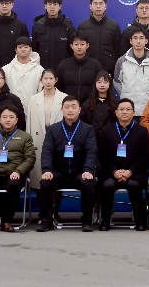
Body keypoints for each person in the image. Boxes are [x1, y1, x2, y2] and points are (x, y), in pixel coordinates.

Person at [37, 96, 99, 231]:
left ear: (79, 110)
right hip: (59, 173)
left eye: (73, 107)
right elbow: (47, 151)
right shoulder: (53, 129)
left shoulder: (88, 129)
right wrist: (47, 170)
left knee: (88, 183)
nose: (70, 110)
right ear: (62, 109)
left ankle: (87, 220)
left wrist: (88, 170)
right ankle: (46, 220)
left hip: (79, 173)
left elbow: (91, 152)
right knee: (45, 183)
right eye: (67, 107)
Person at [97, 99, 149, 230]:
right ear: (116, 112)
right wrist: (114, 171)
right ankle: (105, 222)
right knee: (107, 185)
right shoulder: (106, 130)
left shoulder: (142, 131)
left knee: (134, 185)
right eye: (121, 109)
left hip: (135, 173)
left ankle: (140, 222)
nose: (124, 112)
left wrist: (130, 171)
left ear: (133, 112)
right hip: (111, 172)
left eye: (128, 109)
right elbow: (103, 155)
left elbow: (145, 156)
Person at [0, 105, 35, 232]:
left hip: (14, 173)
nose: (7, 120)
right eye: (4, 117)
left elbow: (30, 158)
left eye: (11, 117)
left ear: (16, 120)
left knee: (13, 185)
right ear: (0, 119)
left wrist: (19, 171)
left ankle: (6, 221)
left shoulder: (25, 137)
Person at [26, 69, 67, 188]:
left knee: (56, 174)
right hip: (39, 139)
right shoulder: (34, 99)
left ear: (56, 80)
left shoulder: (64, 97)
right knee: (40, 177)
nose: (48, 81)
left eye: (51, 78)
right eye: (45, 78)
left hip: (57, 137)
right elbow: (29, 121)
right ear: (41, 80)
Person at [113, 30, 149, 118]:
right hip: (128, 110)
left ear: (146, 41)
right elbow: (117, 82)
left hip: (147, 109)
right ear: (131, 41)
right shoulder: (122, 61)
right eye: (135, 38)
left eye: (141, 38)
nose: (138, 41)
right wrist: (125, 94)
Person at [76, 0, 123, 75]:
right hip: (87, 68)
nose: (98, 6)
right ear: (90, 6)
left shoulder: (114, 26)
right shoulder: (83, 26)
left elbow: (117, 49)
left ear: (105, 6)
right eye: (95, 3)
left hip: (108, 69)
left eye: (101, 3)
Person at [31, 0, 76, 71]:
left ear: (60, 6)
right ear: (45, 6)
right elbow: (34, 51)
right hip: (42, 70)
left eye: (55, 4)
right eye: (49, 4)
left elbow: (72, 51)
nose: (52, 7)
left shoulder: (67, 26)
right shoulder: (38, 25)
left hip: (63, 70)